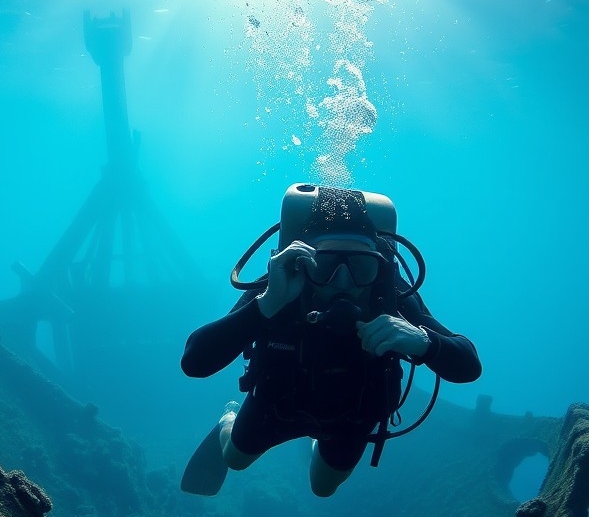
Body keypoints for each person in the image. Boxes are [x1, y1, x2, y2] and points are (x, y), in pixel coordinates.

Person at [180, 185, 481, 497]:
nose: (343, 281)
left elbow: (469, 365)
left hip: (351, 418)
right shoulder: (282, 285)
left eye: (361, 266)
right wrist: (266, 305)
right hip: (276, 405)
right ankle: (228, 417)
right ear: (304, 261)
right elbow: (194, 361)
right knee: (235, 458)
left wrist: (422, 340)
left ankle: (314, 443)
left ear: (379, 266)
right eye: (326, 265)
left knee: (323, 488)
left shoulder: (388, 296)